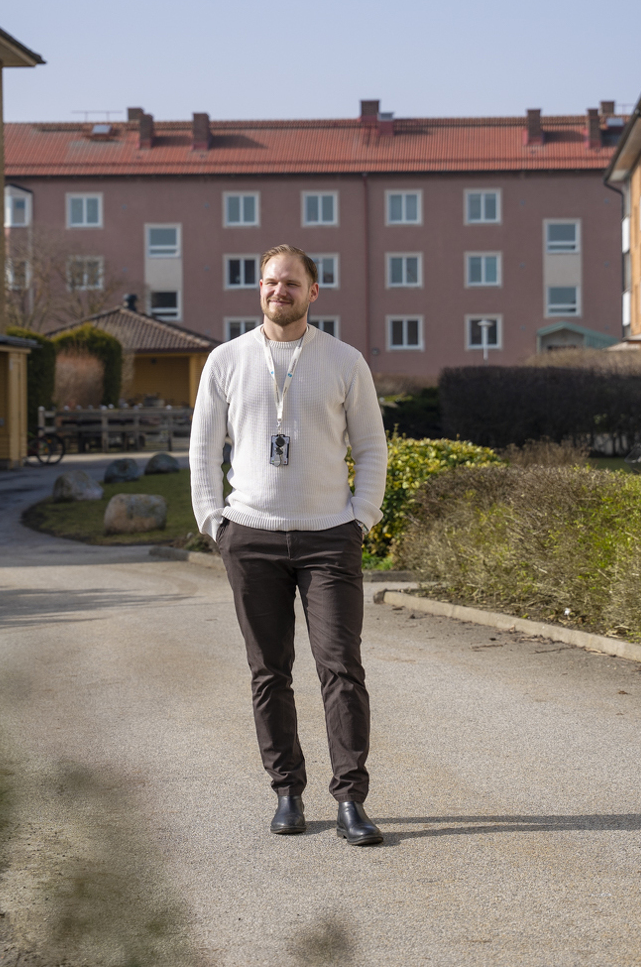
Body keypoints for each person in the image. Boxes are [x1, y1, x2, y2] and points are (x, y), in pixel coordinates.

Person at [189, 245, 390, 845]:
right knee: (269, 671)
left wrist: (362, 517)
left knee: (341, 667)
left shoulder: (345, 361)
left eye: (292, 283)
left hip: (330, 536)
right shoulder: (226, 361)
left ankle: (350, 799)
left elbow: (372, 447)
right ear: (260, 290)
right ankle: (288, 792)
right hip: (250, 536)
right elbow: (204, 449)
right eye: (272, 282)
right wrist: (213, 521)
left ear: (313, 291)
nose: (281, 291)